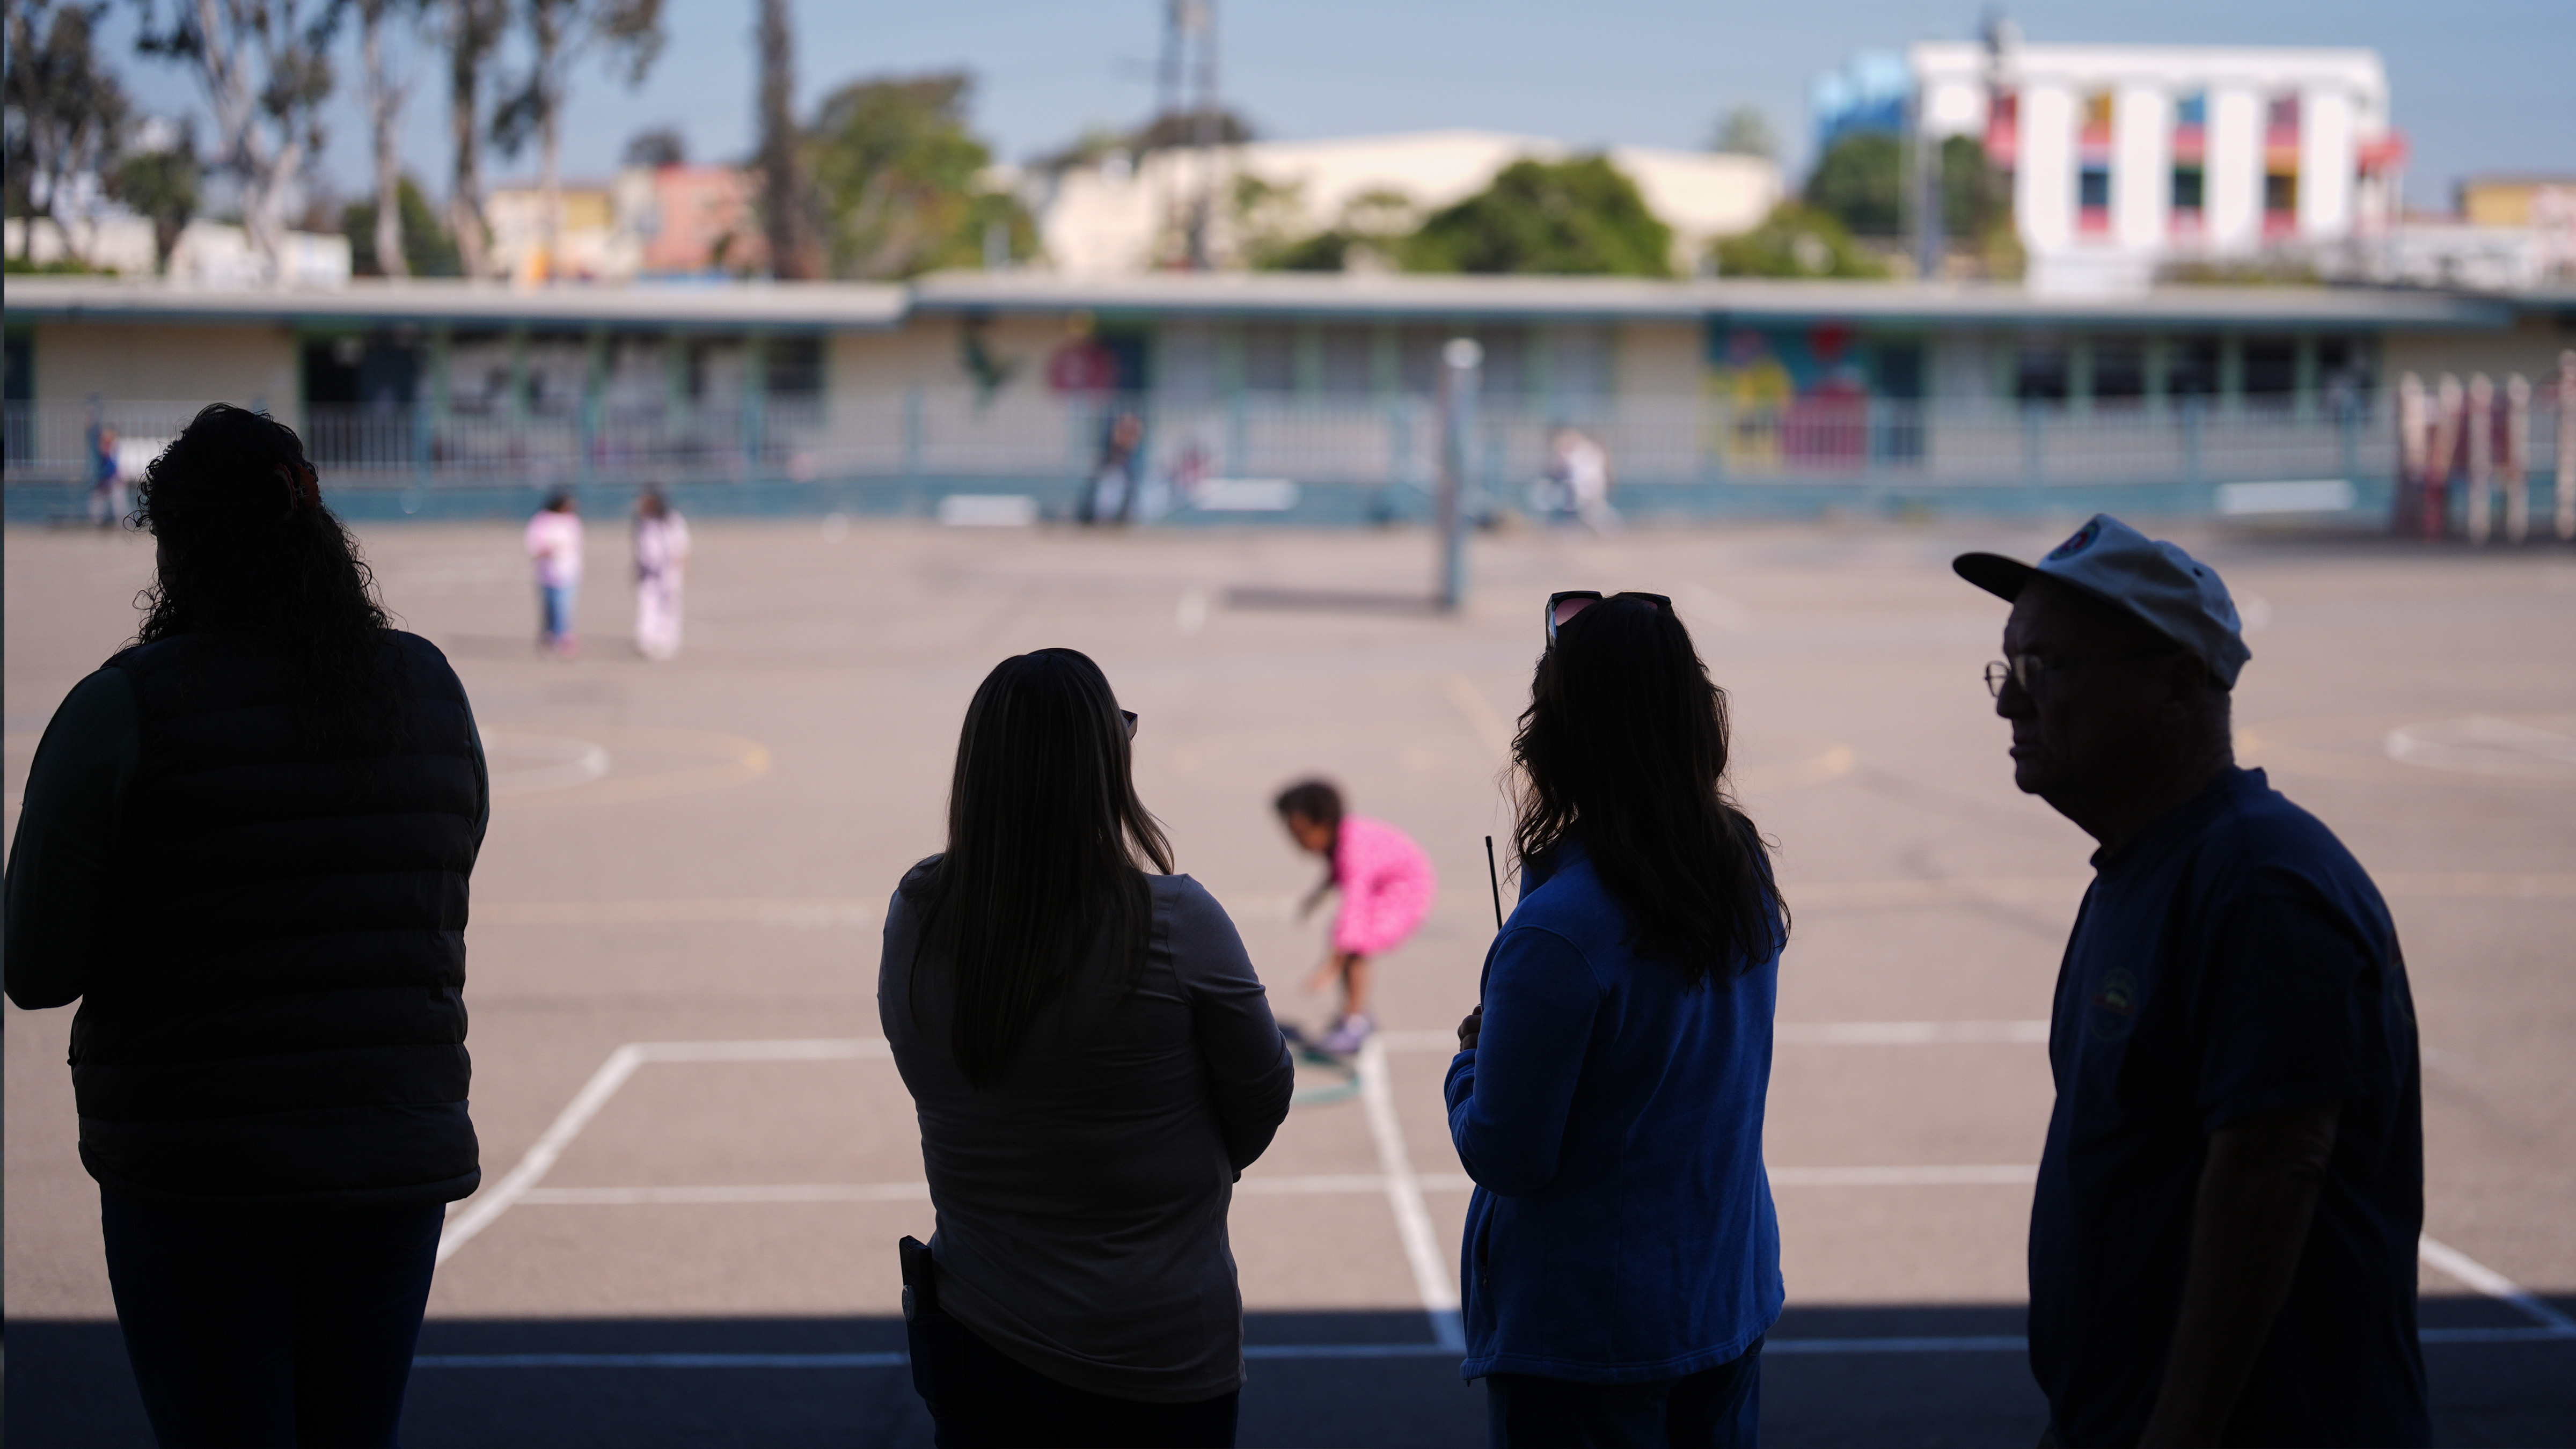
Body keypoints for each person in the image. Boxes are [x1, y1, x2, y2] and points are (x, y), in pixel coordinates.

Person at [3, 402, 488, 1448]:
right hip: (386, 1160)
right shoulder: (430, 691)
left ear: (174, 549)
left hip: (198, 1175)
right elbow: (443, 880)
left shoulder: (121, 711)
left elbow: (36, 965)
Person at [1953, 514, 2427, 1448]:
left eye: (2045, 668)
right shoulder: (2145, 869)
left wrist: (2177, 1429)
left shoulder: (2260, 885)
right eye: (2006, 669)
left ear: (2176, 685)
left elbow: (2273, 1172)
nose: (2011, 703)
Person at [881, 648, 1295, 1448]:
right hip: (1155, 1352)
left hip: (977, 1341)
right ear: (1104, 770)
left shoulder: (919, 911)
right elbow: (1263, 1097)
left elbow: (924, 1064)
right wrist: (1176, 1169)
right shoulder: (1174, 923)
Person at [1446, 591, 1787, 1447]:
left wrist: (1470, 1065)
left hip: (1589, 1342)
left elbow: (1508, 1154)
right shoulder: (1737, 865)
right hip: (1721, 1297)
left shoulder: (1561, 932)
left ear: (1559, 739)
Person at [1272, 778, 1435, 1055]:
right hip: (1389, 884)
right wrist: (1316, 897)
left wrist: (1331, 965)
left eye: (1301, 834)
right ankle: (1354, 1014)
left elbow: (1354, 909)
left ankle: (1355, 1022)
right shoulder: (1340, 838)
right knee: (1349, 944)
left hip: (1404, 890)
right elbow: (1336, 872)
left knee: (1356, 947)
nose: (1297, 843)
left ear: (1324, 824)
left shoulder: (1353, 849)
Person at [632, 486, 691, 661]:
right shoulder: (643, 521)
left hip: (669, 571)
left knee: (670, 606)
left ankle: (669, 641)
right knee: (648, 604)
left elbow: (682, 547)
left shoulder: (672, 520)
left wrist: (683, 569)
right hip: (649, 571)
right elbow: (641, 548)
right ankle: (646, 639)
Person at [525, 488, 583, 657]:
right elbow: (533, 545)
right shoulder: (542, 520)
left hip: (569, 574)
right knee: (550, 608)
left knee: (563, 609)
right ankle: (549, 636)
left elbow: (576, 544)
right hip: (546, 574)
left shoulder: (572, 521)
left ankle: (565, 640)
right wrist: (546, 551)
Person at [1080, 410, 1145, 525]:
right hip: (1102, 507)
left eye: (1131, 432)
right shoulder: (1109, 457)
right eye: (1125, 431)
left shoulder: (1135, 461)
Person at [87, 416, 123, 528]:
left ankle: (123, 523)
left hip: (113, 478)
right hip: (104, 479)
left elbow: (117, 464)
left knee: (119, 501)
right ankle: (98, 523)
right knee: (98, 501)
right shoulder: (102, 448)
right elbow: (91, 435)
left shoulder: (116, 447)